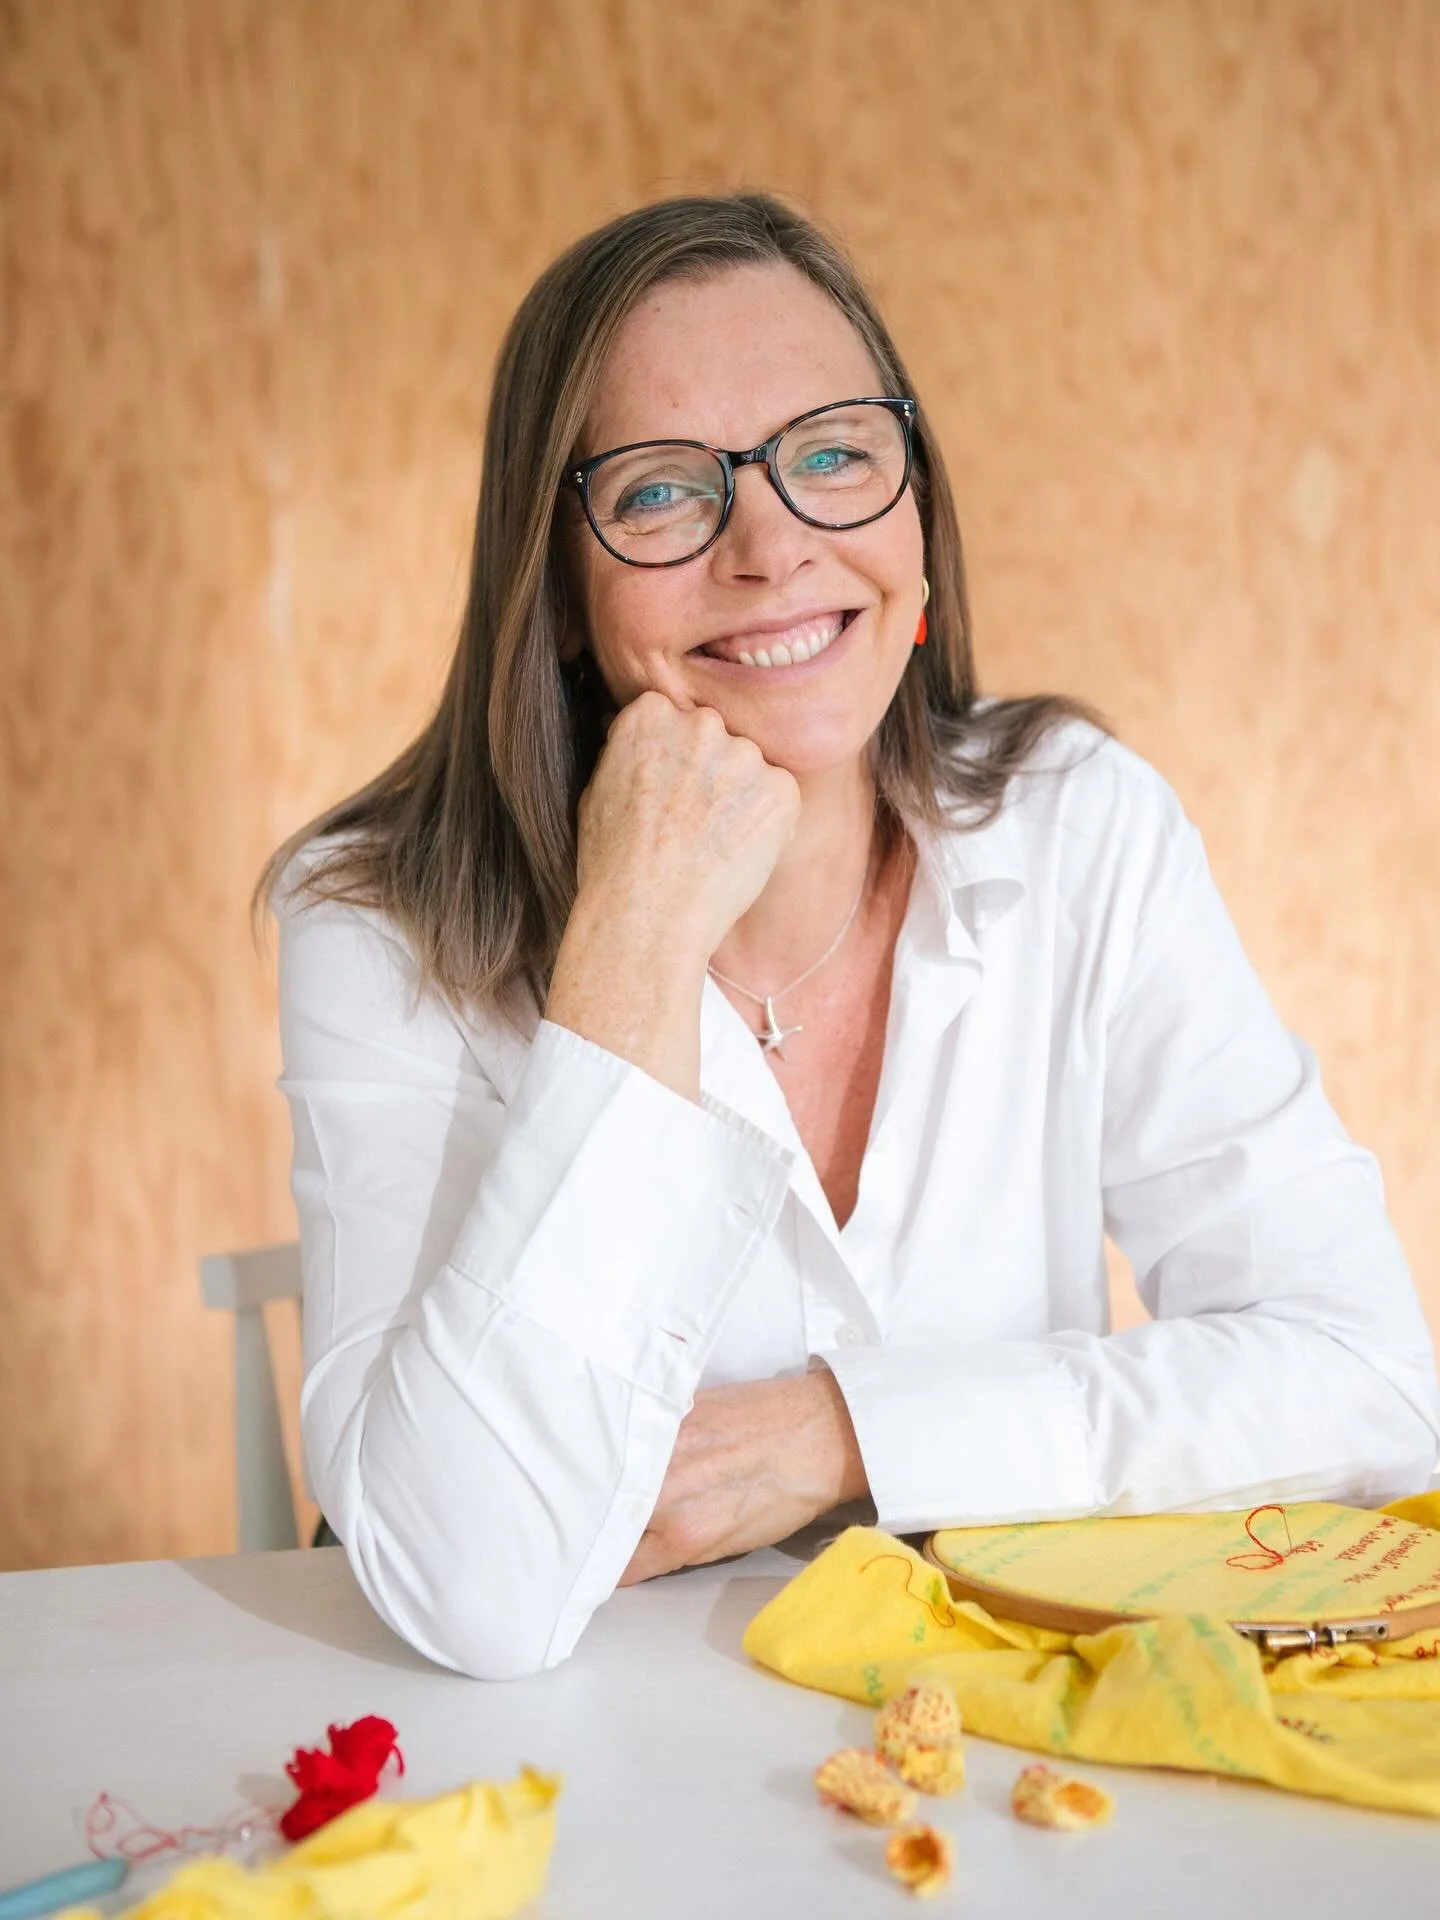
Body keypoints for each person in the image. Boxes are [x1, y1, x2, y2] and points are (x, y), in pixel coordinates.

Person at [260, 192, 1438, 1680]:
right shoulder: (377, 923)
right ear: (556, 586)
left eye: (832, 455)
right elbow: (473, 1593)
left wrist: (838, 1431)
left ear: (918, 523)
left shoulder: (1083, 827)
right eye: (664, 491)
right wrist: (630, 938)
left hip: (992, 1766)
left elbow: (1365, 1376)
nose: (772, 547)